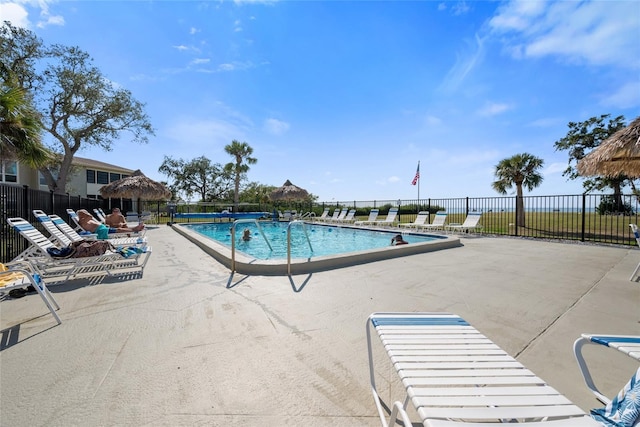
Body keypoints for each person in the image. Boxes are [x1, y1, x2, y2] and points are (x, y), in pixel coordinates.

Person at [77, 209, 144, 240]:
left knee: (119, 229)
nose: (86, 212)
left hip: (103, 229)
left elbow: (90, 217)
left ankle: (135, 228)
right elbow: (90, 216)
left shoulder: (86, 219)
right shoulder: (82, 221)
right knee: (119, 229)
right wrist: (84, 213)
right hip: (101, 231)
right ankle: (135, 229)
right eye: (84, 212)